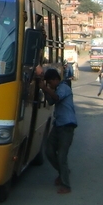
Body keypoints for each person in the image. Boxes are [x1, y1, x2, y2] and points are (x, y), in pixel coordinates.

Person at [39, 66, 76, 194]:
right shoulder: (57, 89)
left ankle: (66, 185)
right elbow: (50, 101)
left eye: (50, 83)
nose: (50, 85)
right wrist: (44, 89)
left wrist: (44, 88)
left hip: (67, 125)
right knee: (49, 150)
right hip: (58, 124)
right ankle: (62, 171)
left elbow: (56, 98)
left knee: (61, 156)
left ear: (55, 79)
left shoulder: (64, 87)